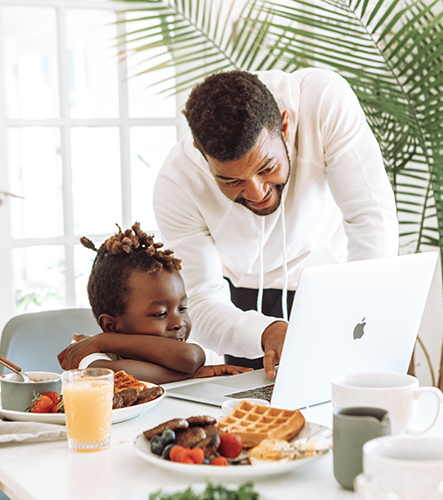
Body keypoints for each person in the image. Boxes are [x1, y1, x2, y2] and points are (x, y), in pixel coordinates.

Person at [153, 68, 399, 378]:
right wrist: (264, 331)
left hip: (334, 284)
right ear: (201, 154)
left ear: (284, 126)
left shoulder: (323, 101)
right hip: (239, 304)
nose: (257, 192)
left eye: (267, 167)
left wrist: (361, 312)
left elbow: (371, 217)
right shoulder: (176, 184)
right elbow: (199, 301)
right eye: (231, 181)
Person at [57, 223, 251, 384]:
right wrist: (193, 374)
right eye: (160, 314)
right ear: (111, 326)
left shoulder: (168, 345)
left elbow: (192, 357)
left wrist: (102, 339)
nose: (179, 322)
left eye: (182, 308)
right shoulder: (85, 351)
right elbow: (116, 376)